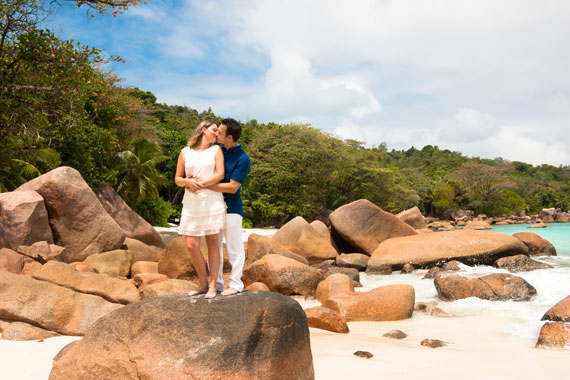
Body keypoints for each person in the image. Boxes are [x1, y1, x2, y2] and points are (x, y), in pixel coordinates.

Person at [174, 120, 226, 299]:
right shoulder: (185, 152)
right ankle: (203, 282)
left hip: (210, 200)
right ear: (203, 130)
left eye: (218, 132)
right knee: (191, 245)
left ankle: (212, 284)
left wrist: (201, 183)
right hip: (191, 202)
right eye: (214, 130)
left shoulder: (216, 150)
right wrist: (188, 182)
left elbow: (220, 174)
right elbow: (177, 179)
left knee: (212, 243)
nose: (217, 134)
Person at [208, 118, 250, 296]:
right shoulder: (217, 151)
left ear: (230, 137)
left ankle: (236, 284)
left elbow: (233, 187)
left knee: (234, 247)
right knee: (213, 247)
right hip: (213, 207)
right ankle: (216, 284)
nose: (216, 134)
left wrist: (205, 185)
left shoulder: (243, 158)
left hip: (232, 208)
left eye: (220, 132)